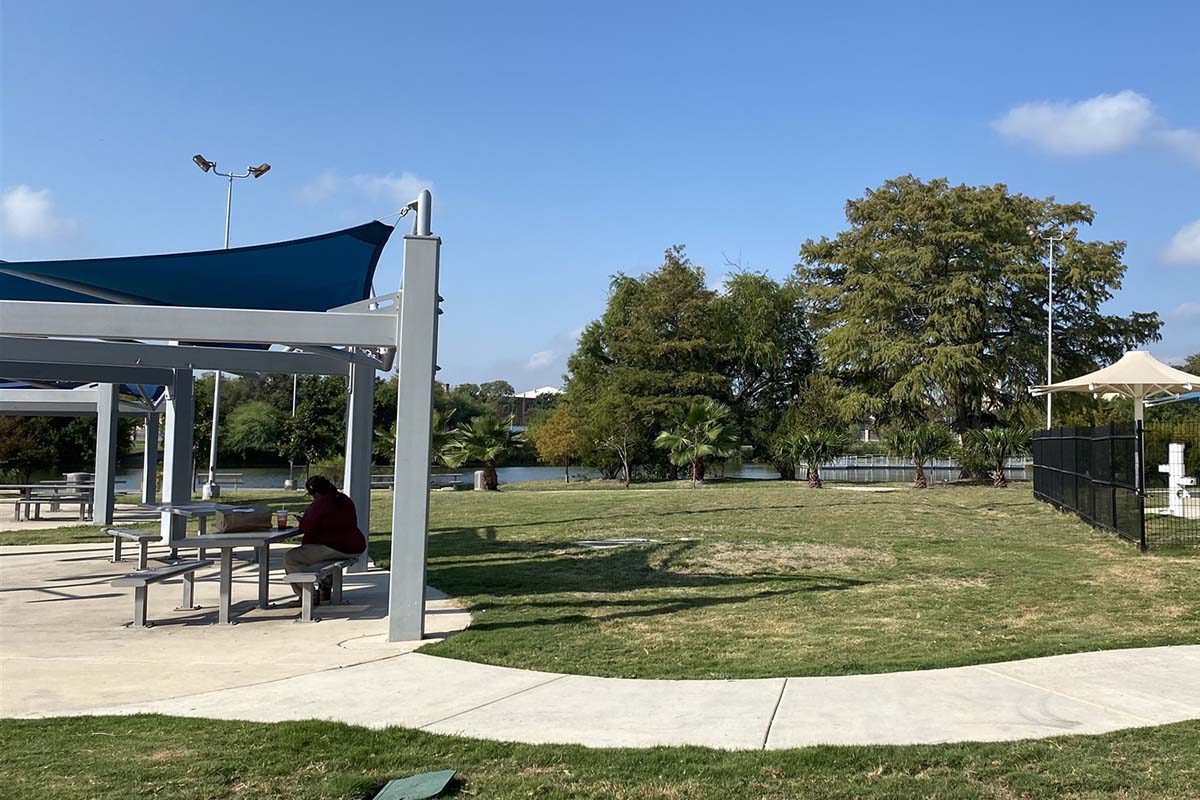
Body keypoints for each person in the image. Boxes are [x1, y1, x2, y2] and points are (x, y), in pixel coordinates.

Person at [284, 476, 366, 606]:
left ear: (316, 493)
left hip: (336, 546)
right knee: (323, 556)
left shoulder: (320, 502)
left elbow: (307, 527)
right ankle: (325, 590)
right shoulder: (344, 499)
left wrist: (302, 519)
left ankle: (308, 596)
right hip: (355, 547)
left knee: (291, 558)